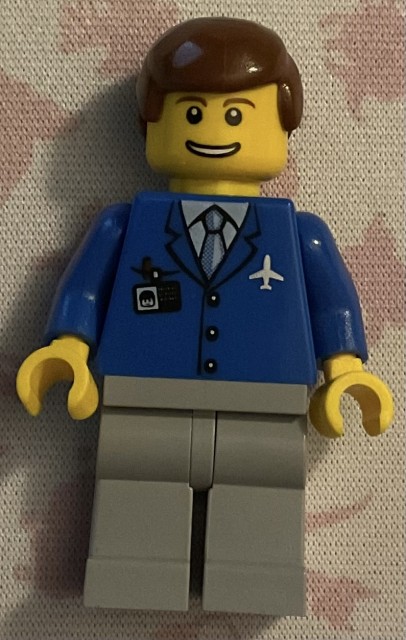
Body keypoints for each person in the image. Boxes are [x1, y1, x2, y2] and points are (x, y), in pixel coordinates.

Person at [16, 17, 393, 615]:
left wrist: (344, 370)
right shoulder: (124, 224)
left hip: (266, 398)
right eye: (193, 112)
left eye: (238, 114)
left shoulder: (300, 234)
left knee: (262, 486)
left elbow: (332, 302)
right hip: (143, 389)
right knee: (136, 478)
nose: (215, 129)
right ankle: (134, 574)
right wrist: (68, 346)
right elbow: (85, 287)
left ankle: (254, 579)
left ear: (283, 122)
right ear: (152, 122)